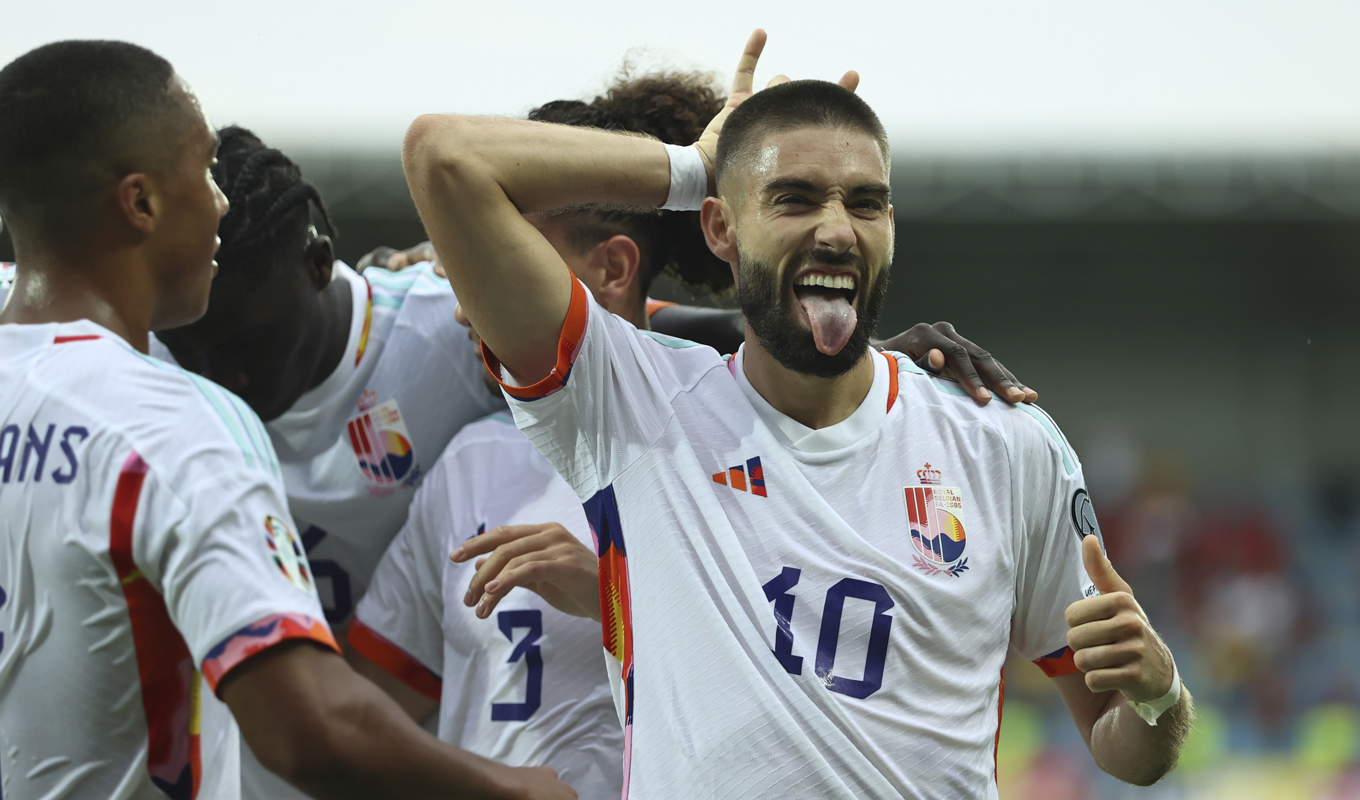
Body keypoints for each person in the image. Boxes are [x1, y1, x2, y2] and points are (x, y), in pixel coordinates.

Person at [406, 30, 1193, 799]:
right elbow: (444, 157)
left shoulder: (1005, 442)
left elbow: (1125, 748)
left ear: (891, 227)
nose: (837, 230)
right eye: (794, 199)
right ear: (721, 226)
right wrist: (693, 166)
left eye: (866, 203)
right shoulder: (629, 403)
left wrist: (1161, 696)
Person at [0, 40, 572, 800]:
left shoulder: (441, 324)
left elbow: (625, 334)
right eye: (205, 170)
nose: (221, 201)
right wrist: (517, 791)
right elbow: (310, 729)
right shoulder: (174, 421)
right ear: (141, 204)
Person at [349, 72, 745, 800]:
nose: (463, 307)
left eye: (501, 260)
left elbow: (806, 679)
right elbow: (366, 714)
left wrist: (610, 595)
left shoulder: (730, 444)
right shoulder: (471, 461)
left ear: (613, 267)